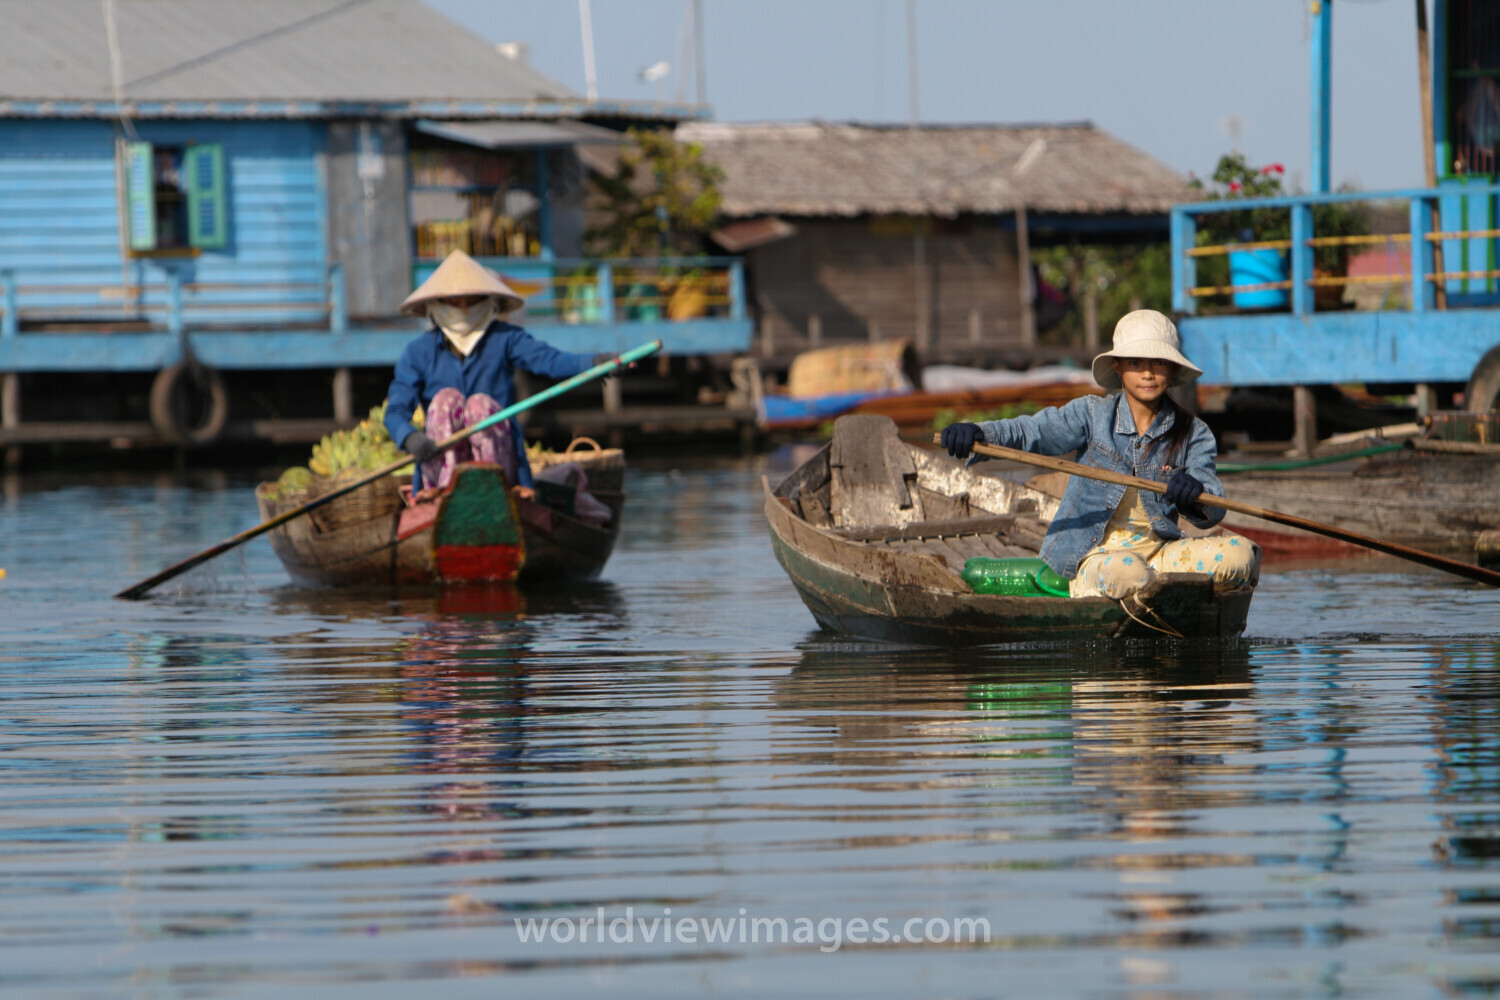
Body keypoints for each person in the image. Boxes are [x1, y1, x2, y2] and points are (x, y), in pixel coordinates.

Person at [939, 309, 1260, 600]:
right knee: (1128, 573)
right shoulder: (1092, 415)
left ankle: (1159, 586)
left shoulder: (1194, 431)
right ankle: (1092, 586)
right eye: (1135, 362)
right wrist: (979, 433)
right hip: (1094, 555)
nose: (1147, 373)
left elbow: (1213, 505)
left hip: (1160, 555)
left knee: (1241, 555)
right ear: (1118, 367)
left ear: (1173, 370)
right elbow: (1031, 433)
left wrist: (1195, 496)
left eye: (1158, 363)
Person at [384, 249, 613, 500]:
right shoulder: (419, 351)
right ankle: (443, 492)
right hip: (439, 470)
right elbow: (396, 410)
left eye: (471, 300)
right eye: (453, 302)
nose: (462, 308)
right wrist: (409, 438)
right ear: (435, 306)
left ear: (487, 302)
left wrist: (595, 363)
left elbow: (551, 360)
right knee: (445, 399)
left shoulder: (506, 338)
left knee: (479, 405)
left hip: (501, 467)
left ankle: (495, 488)